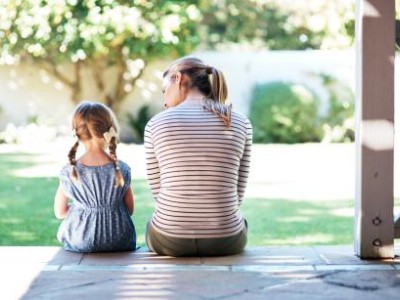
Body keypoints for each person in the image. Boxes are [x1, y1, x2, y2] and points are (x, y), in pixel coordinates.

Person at [144, 56, 252, 257]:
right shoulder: (240, 122)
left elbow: (158, 192)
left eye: (164, 90)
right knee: (242, 223)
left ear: (178, 79)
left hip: (170, 240)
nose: (164, 101)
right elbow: (238, 193)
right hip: (225, 240)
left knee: (152, 224)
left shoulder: (155, 124)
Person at [54, 101, 137, 253]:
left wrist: (81, 209)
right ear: (109, 129)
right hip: (120, 240)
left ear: (77, 133)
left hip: (80, 240)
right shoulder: (121, 169)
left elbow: (60, 212)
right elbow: (130, 209)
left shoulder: (69, 171)